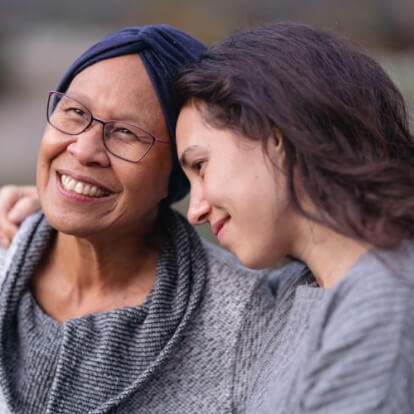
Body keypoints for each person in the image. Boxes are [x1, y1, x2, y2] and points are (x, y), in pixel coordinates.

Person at [0, 24, 283, 414]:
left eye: (127, 133)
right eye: (75, 112)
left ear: (177, 173)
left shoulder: (242, 318)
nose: (83, 150)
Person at [173, 23, 414, 413]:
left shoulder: (385, 306)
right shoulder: (303, 290)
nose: (196, 208)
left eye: (201, 165)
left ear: (275, 133)